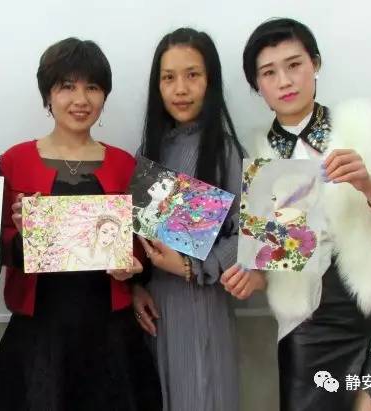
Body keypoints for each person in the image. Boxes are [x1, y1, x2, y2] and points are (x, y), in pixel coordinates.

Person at [226, 17, 371, 411]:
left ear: (315, 64)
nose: (285, 81)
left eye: (294, 64)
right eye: (269, 72)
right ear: (257, 86)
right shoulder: (258, 158)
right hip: (307, 325)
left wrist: (370, 187)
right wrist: (250, 279)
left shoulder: (361, 131)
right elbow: (274, 267)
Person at [0, 37, 161, 411]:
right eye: (67, 86)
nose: (81, 99)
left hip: (111, 329)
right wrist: (23, 239)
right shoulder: (14, 161)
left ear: (104, 95)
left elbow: (145, 243)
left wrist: (136, 272)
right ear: (48, 95)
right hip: (39, 331)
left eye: (92, 87)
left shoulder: (126, 164)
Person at [131, 27, 249, 411]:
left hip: (203, 306)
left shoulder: (227, 153)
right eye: (168, 78)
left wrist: (191, 265)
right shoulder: (148, 151)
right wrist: (135, 288)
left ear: (210, 81)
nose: (180, 89)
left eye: (192, 75)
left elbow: (250, 237)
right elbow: (136, 236)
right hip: (154, 310)